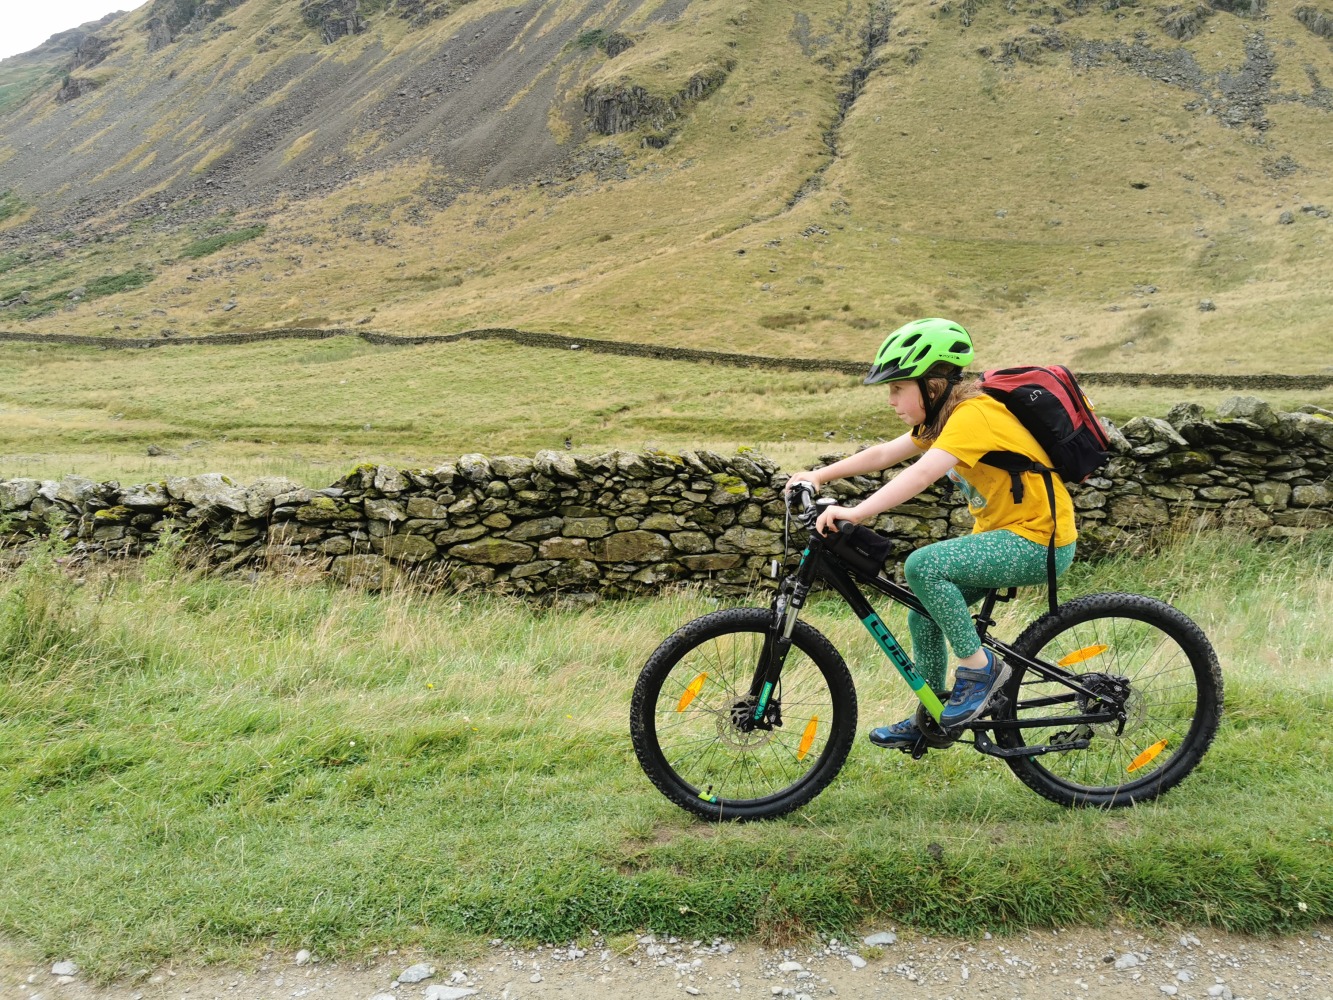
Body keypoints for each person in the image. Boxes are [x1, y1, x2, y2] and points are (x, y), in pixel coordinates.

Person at [785, 318, 1078, 748]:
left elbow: (922, 473)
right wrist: (818, 474)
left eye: (897, 388)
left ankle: (980, 671)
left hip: (1038, 541)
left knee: (923, 566)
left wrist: (859, 512)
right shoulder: (944, 419)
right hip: (1007, 537)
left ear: (934, 386)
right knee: (921, 611)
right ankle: (938, 715)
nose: (890, 400)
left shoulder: (974, 415)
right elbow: (886, 453)